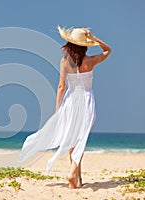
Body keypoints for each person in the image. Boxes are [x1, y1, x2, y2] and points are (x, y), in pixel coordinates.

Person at [18, 26, 111, 189]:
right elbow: (108, 50)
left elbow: (61, 87)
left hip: (70, 101)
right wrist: (95, 38)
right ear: (84, 46)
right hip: (86, 101)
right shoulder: (90, 61)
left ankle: (77, 180)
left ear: (70, 44)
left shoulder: (64, 62)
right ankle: (72, 172)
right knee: (80, 138)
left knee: (72, 137)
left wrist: (58, 109)